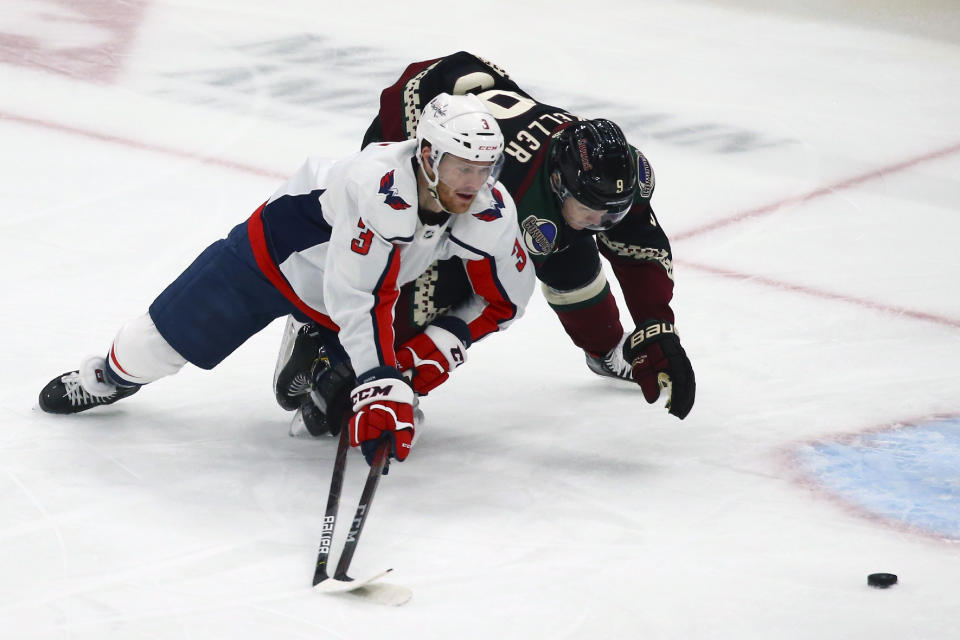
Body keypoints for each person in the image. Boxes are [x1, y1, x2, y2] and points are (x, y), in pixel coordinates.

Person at [38, 93, 535, 465]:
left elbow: (506, 301)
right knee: (152, 346)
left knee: (337, 415)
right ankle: (108, 377)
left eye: (484, 168)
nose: (473, 183)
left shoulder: (490, 210)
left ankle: (312, 341)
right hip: (272, 263)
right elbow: (357, 296)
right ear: (428, 157)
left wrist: (446, 340)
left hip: (347, 298)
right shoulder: (381, 189)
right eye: (462, 167)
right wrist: (383, 382)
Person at [278, 52, 695, 423]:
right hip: (423, 117)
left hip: (487, 118)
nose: (604, 222)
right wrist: (391, 375)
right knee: (415, 268)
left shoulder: (613, 176)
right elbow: (473, 294)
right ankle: (320, 330)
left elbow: (637, 246)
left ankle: (605, 345)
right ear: (559, 183)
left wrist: (656, 326)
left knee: (566, 249)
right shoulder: (498, 191)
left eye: (613, 213)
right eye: (593, 210)